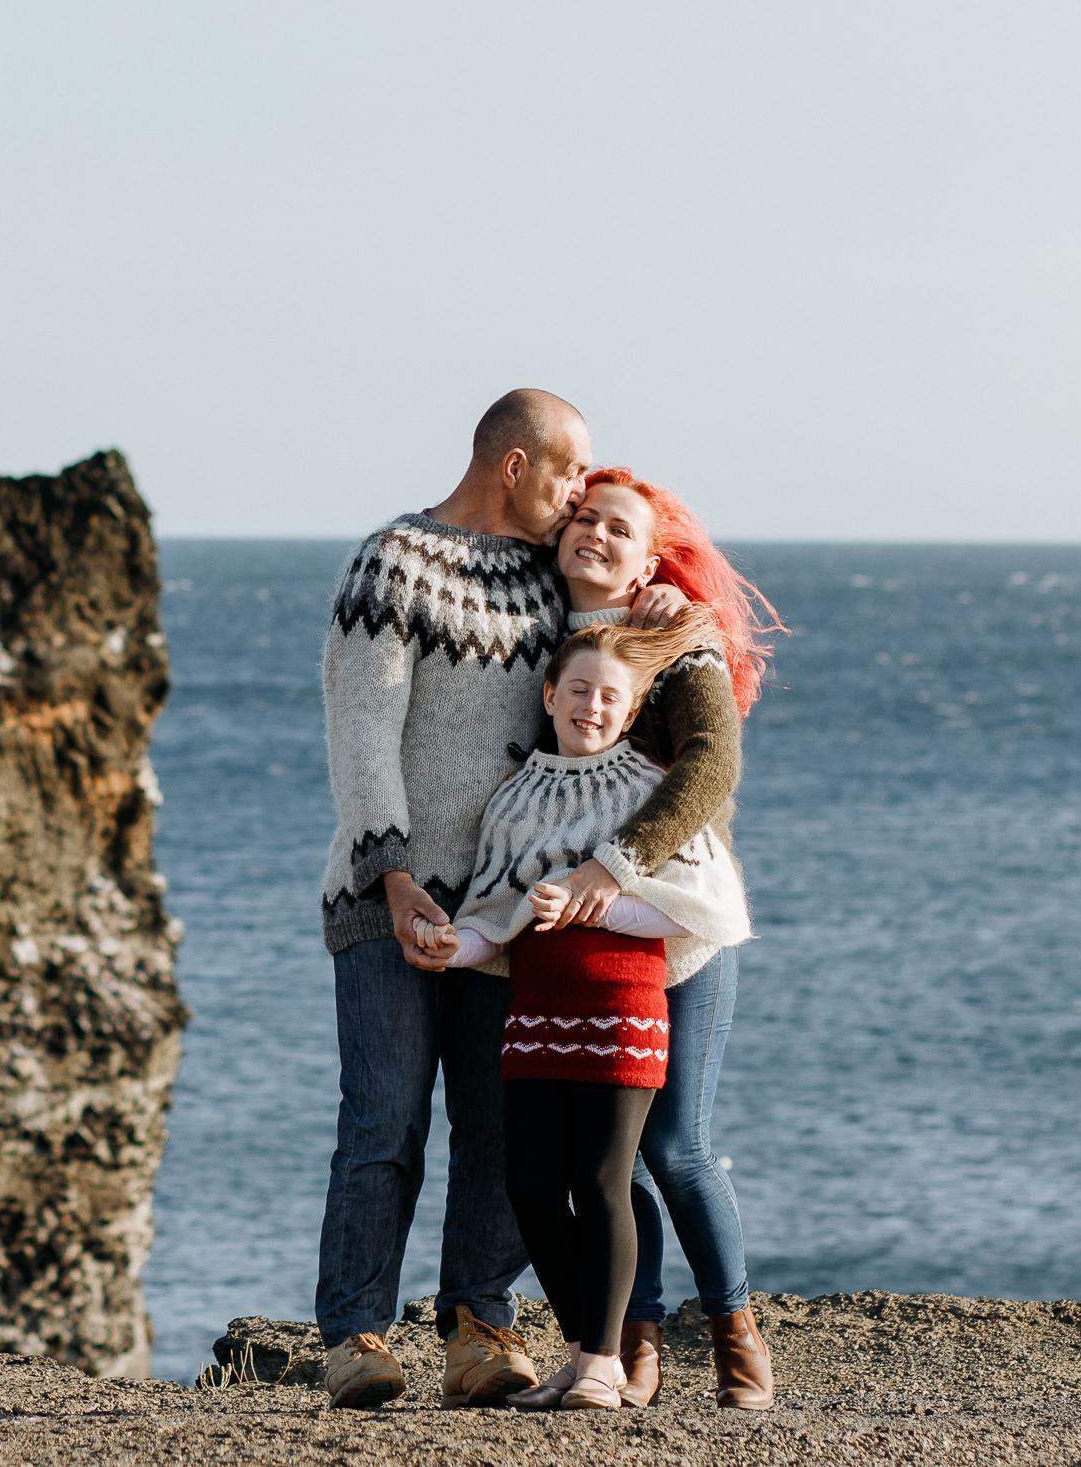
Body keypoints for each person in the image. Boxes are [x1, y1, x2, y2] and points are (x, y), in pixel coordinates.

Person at [312, 389, 686, 1411]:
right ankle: (355, 1334)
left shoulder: (545, 577)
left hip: (506, 909)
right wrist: (390, 875)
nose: (578, 496)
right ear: (514, 465)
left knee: (496, 1128)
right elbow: (360, 728)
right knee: (382, 1123)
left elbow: (606, 671)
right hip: (386, 897)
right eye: (569, 474)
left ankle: (478, 1322)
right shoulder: (394, 561)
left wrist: (656, 610)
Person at [411, 619, 752, 1410]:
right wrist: (448, 943)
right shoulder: (515, 798)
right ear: (548, 696)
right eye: (578, 692)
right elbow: (497, 917)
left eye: (609, 696)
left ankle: (605, 1360)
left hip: (622, 1013)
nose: (591, 707)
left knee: (601, 1181)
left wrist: (595, 906)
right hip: (534, 1014)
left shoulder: (647, 788)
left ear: (630, 709)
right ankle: (581, 1353)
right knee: (531, 1184)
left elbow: (703, 911)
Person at [539, 469, 786, 1410]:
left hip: (673, 921)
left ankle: (736, 1337)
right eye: (584, 519)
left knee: (678, 1143)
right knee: (610, 1153)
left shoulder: (677, 635)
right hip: (582, 939)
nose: (595, 534)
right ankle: (633, 1342)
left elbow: (713, 765)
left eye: (619, 527)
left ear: (650, 558)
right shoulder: (542, 634)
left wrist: (614, 865)